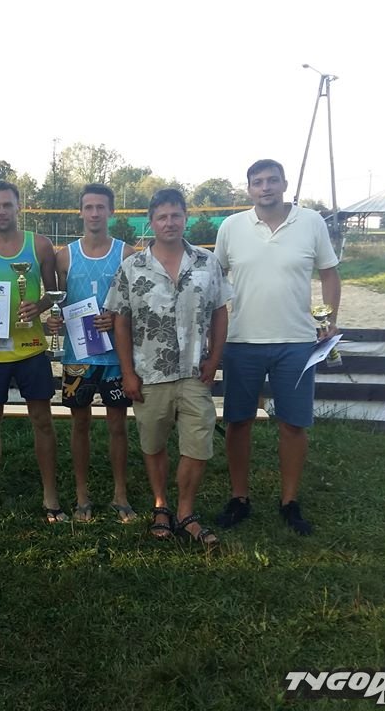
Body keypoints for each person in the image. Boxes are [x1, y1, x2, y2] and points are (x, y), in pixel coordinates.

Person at [213, 159, 341, 535]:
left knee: (293, 424)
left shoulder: (311, 221)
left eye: (272, 180)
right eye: (258, 182)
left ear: (285, 184)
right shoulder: (231, 226)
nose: (265, 187)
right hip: (242, 341)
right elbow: (214, 279)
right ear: (249, 189)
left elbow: (330, 273)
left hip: (297, 342)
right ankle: (239, 498)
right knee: (238, 422)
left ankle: (289, 502)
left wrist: (330, 320)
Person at [107, 189, 231, 547]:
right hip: (150, 374)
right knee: (153, 443)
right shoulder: (132, 267)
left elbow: (220, 311)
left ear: (185, 218)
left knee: (198, 443)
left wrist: (215, 358)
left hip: (194, 372)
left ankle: (186, 510)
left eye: (176, 215)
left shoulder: (207, 262)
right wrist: (128, 372)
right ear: (151, 222)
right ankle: (161, 505)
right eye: (162, 217)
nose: (169, 223)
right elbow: (121, 321)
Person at [0, 180, 66, 523]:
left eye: (7, 205)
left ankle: (50, 496)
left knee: (43, 421)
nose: (1, 211)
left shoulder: (40, 245)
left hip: (31, 348)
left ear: (19, 207)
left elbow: (53, 294)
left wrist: (39, 307)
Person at [49, 183, 135, 522]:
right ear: (81, 212)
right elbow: (59, 302)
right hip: (78, 356)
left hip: (116, 357)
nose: (95, 213)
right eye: (89, 207)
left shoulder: (127, 254)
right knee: (79, 424)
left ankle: (120, 494)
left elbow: (137, 304)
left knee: (118, 425)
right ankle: (82, 496)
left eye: (101, 207)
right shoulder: (64, 256)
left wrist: (117, 318)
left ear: (111, 211)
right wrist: (54, 320)